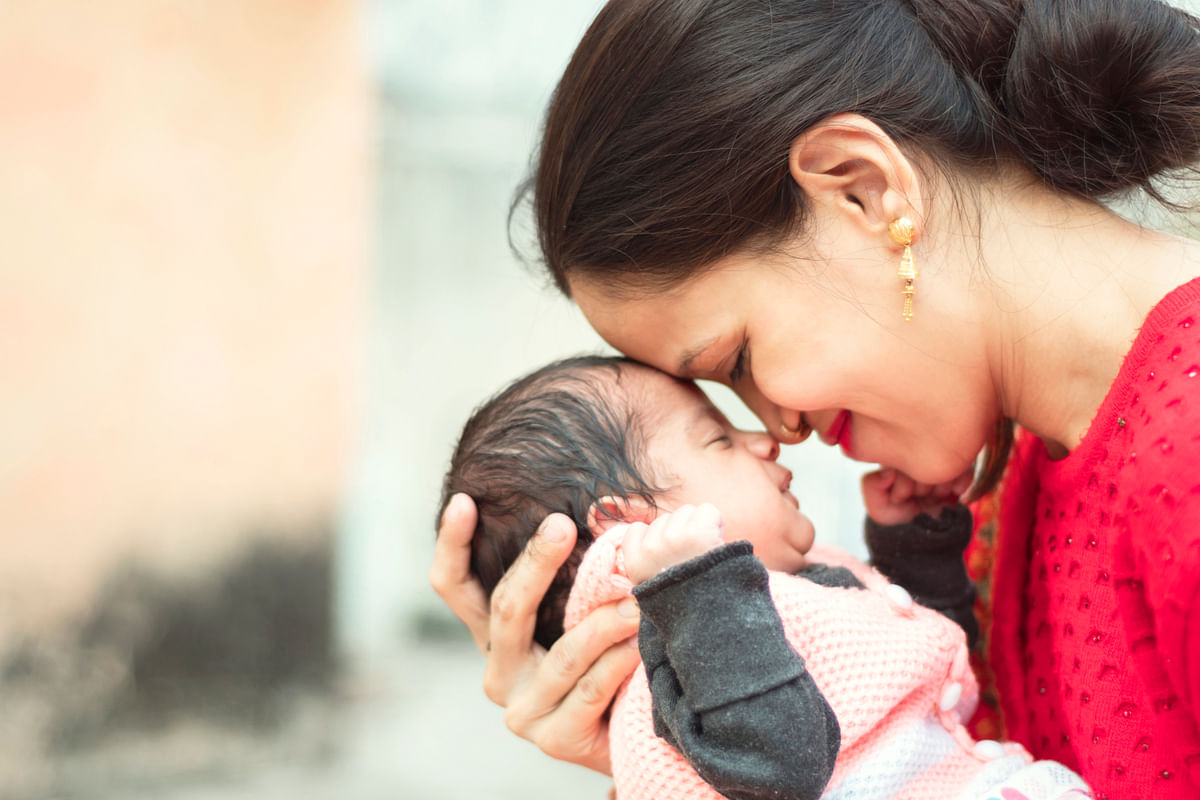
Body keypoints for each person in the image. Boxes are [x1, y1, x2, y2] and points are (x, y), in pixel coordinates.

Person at [429, 1, 1200, 797]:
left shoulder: (1180, 458)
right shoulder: (987, 494)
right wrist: (678, 746)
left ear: (862, 189)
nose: (780, 430)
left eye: (740, 360)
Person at [440, 354, 1091, 799]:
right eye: (719, 439)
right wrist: (695, 590)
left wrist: (914, 543)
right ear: (634, 528)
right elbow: (782, 768)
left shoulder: (785, 589)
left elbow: (920, 658)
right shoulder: (679, 672)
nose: (763, 439)